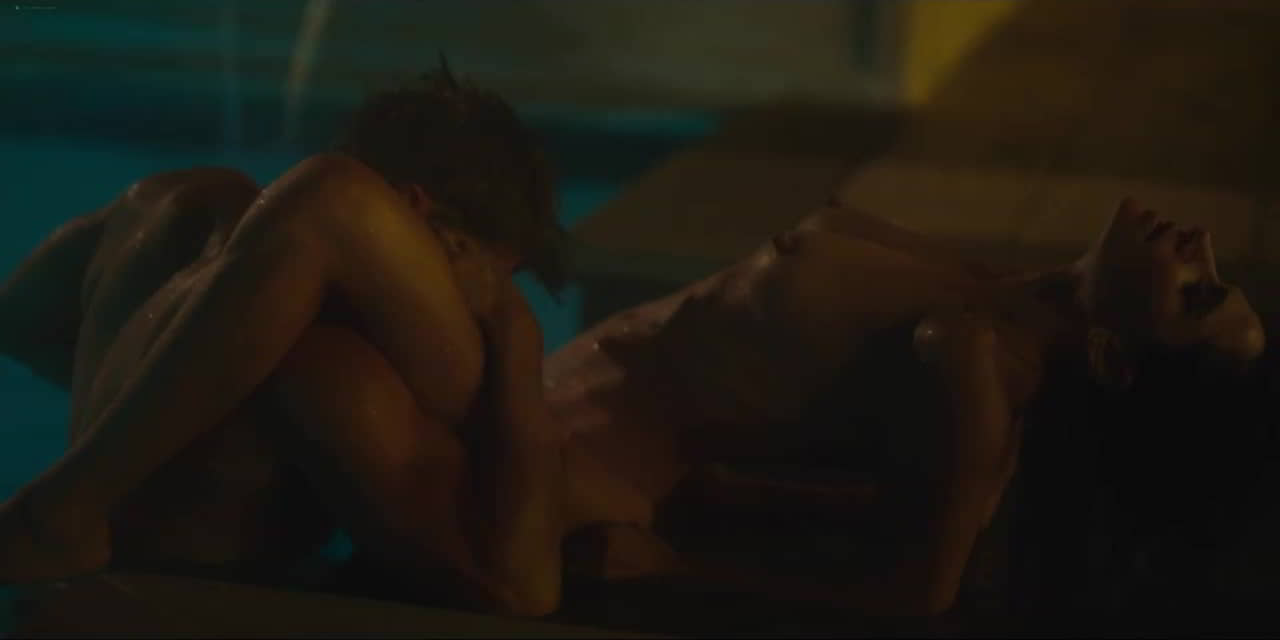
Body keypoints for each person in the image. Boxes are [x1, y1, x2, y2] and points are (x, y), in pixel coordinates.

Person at [0, 71, 1266, 618]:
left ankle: (66, 504)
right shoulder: (982, 283)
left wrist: (675, 567)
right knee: (188, 203)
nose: (1195, 250)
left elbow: (919, 592)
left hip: (531, 444)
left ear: (1118, 358)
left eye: (1197, 294)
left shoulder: (979, 358)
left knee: (318, 202)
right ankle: (115, 478)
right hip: (506, 401)